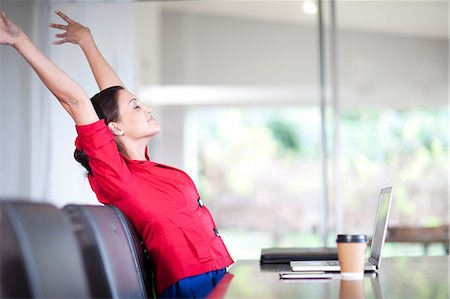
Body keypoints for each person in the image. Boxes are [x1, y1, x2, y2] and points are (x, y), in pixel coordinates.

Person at [1, 10, 233, 298]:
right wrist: (19, 40)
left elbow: (115, 94)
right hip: (190, 285)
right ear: (115, 128)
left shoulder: (142, 167)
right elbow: (76, 101)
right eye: (137, 107)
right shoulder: (119, 179)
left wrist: (87, 42)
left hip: (213, 273)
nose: (146, 108)